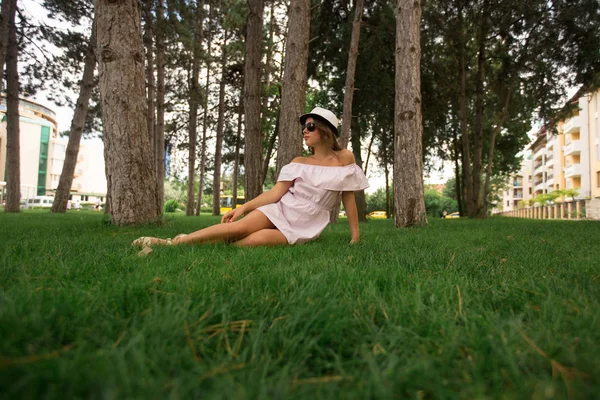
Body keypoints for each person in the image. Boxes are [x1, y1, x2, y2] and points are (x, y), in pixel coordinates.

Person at [132, 107, 368, 248]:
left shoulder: (344, 158)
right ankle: (172, 243)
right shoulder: (299, 163)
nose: (304, 131)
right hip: (282, 208)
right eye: (303, 127)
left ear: (326, 130)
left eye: (310, 126)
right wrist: (243, 208)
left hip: (306, 222)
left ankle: (202, 243)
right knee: (240, 227)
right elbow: (275, 193)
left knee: (254, 241)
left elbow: (348, 197)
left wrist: (355, 237)